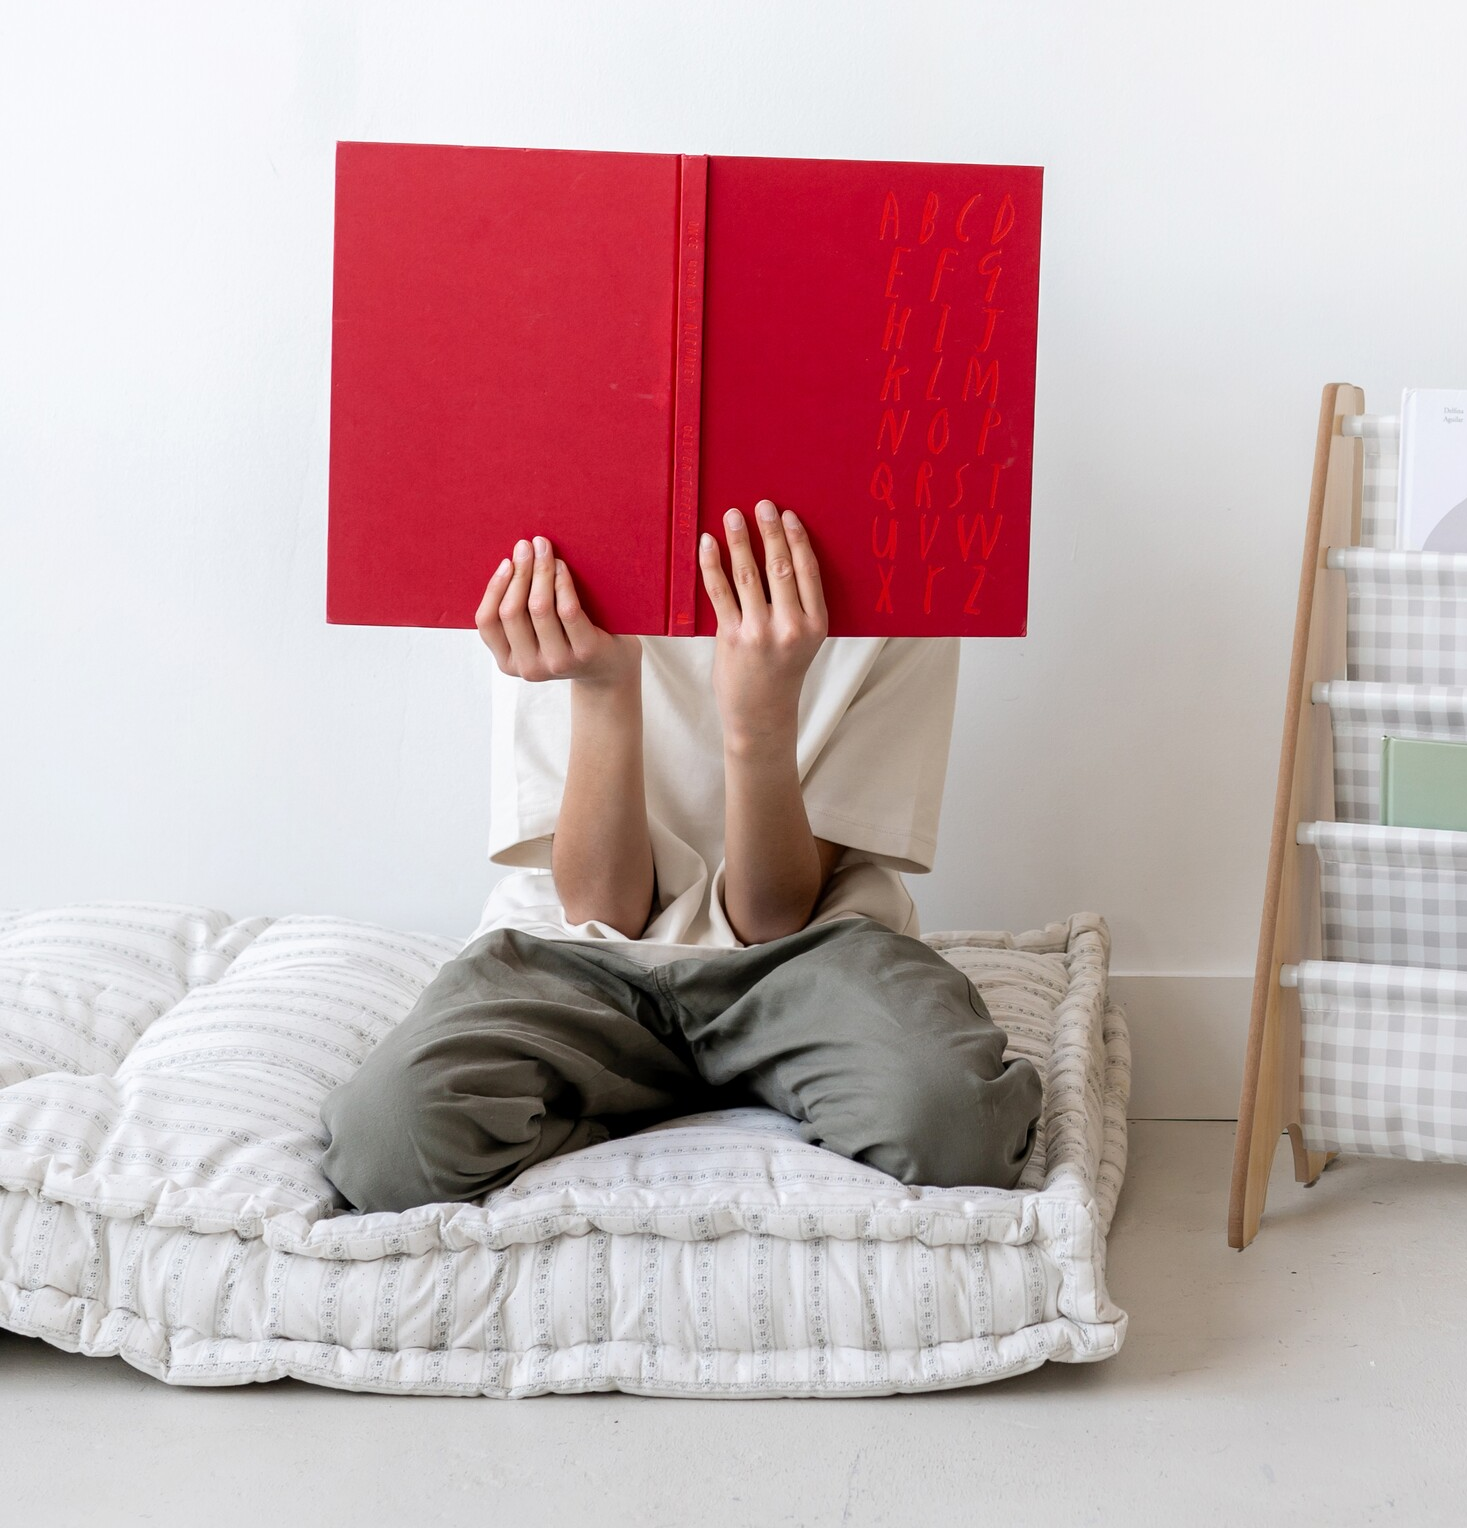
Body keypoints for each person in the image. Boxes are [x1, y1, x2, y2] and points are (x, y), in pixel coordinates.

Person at [322, 500, 1042, 1213]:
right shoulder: (558, 548)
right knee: (385, 1144)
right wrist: (604, 687)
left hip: (814, 951)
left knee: (956, 1130)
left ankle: (700, 1084)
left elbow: (775, 918)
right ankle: (666, 1096)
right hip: (577, 953)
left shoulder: (902, 558)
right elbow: (600, 909)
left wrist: (760, 726)